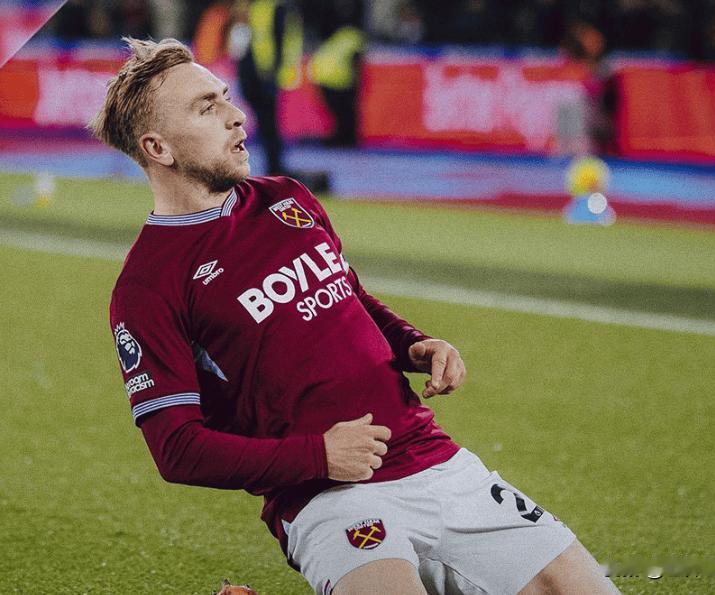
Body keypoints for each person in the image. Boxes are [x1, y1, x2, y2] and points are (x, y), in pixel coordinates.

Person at [90, 37, 619, 595]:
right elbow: (177, 450)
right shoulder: (148, 286)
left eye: (224, 96)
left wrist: (412, 344)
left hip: (434, 459)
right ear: (159, 148)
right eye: (206, 108)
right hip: (328, 496)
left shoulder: (286, 199)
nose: (235, 115)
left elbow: (350, 296)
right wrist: (318, 456)